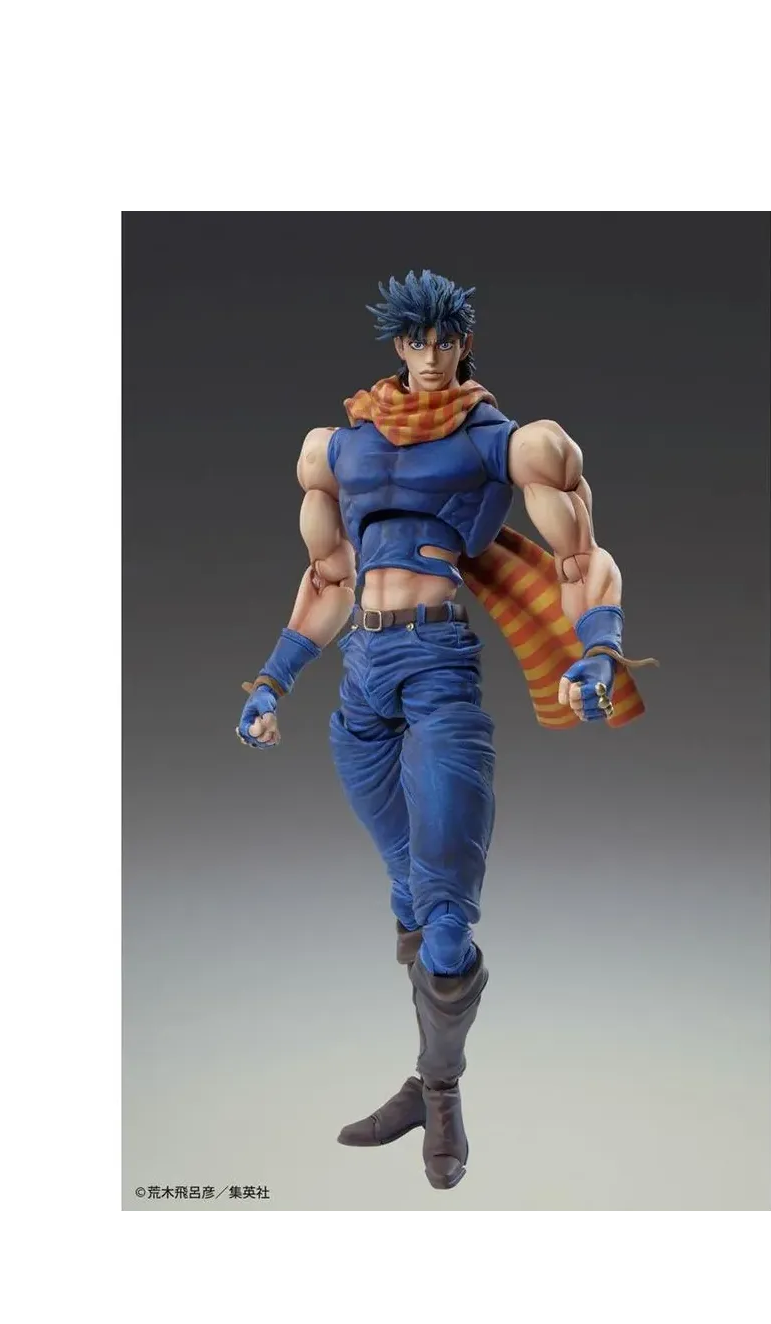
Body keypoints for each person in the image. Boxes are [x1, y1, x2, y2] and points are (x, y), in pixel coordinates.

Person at [237, 270, 655, 1190]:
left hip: (438, 670)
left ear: (465, 343)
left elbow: (580, 557)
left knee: (449, 920)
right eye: (415, 341)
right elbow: (327, 579)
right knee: (410, 898)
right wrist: (272, 680)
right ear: (398, 346)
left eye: (445, 339)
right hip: (361, 684)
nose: (430, 356)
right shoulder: (336, 448)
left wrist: (598, 647)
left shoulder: (507, 441)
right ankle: (425, 1083)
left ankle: (440, 1093)